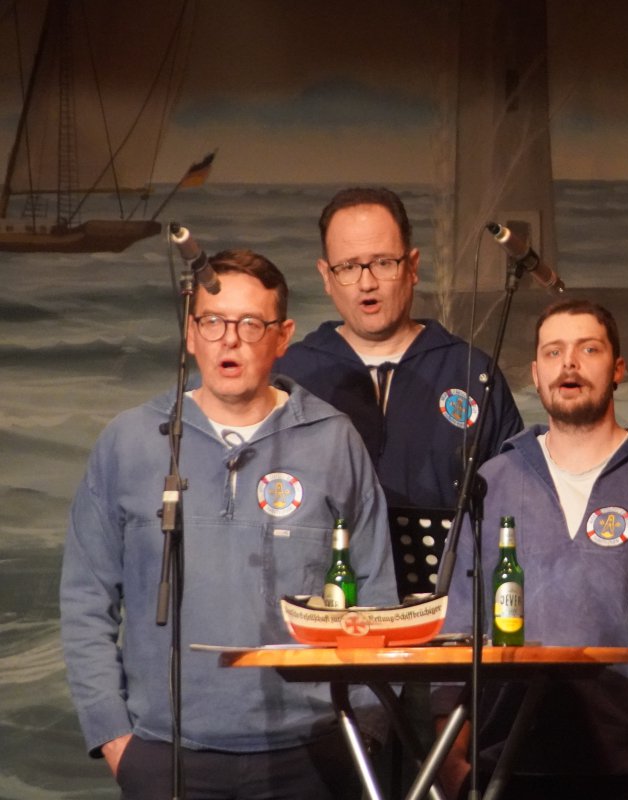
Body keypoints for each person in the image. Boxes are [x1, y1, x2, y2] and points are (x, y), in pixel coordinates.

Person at [60, 250, 398, 799]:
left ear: (282, 336)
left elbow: (377, 594)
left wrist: (367, 727)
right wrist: (115, 737)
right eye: (213, 322)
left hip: (312, 754)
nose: (230, 340)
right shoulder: (131, 441)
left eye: (250, 324)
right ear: (191, 334)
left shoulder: (333, 441)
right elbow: (86, 598)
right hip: (164, 754)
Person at [435, 299, 628, 800]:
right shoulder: (495, 481)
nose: (569, 364)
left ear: (618, 368)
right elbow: (455, 632)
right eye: (553, 352)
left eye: (588, 349)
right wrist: (450, 761)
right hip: (507, 767)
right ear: (536, 373)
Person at [276, 186, 523, 518]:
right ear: (326, 276)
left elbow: (513, 505)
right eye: (348, 267)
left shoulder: (470, 372)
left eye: (383, 262)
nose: (367, 283)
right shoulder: (291, 375)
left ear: (413, 266)